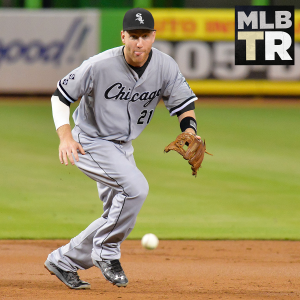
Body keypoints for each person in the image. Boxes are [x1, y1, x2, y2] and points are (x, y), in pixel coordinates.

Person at [44, 7, 199, 290]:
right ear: (123, 36)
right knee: (136, 189)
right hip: (90, 142)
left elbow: (183, 103)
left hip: (123, 147)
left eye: (145, 36)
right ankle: (105, 252)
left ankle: (64, 260)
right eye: (134, 36)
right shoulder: (99, 64)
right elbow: (60, 96)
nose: (139, 43)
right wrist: (65, 136)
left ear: (154, 37)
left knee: (117, 214)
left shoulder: (165, 66)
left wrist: (190, 131)